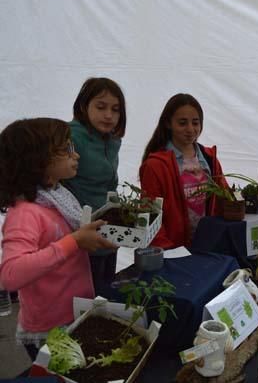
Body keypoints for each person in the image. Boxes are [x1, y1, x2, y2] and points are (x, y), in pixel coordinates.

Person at [0, 118, 116, 360]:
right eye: (67, 150)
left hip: (75, 312)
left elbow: (71, 241)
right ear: (37, 160)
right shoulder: (25, 213)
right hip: (50, 329)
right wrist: (74, 242)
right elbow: (10, 275)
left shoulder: (56, 197)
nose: (77, 156)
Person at [140, 93, 229, 250]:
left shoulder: (209, 159)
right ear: (168, 123)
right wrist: (167, 252)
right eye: (182, 123)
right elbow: (150, 215)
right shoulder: (155, 166)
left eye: (195, 123)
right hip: (173, 251)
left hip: (207, 248)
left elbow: (224, 198)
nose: (190, 129)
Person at [63, 77, 126, 290]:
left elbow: (110, 184)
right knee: (85, 293)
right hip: (80, 231)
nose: (109, 115)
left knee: (105, 289)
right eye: (101, 107)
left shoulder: (112, 139)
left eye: (116, 109)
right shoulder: (70, 137)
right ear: (83, 106)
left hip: (108, 227)